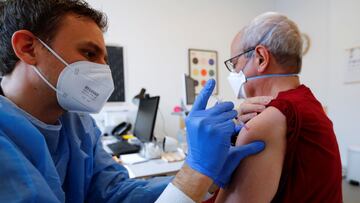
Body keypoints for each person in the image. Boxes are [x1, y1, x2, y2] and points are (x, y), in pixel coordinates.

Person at [0, 1, 265, 202]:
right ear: (27, 48)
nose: (104, 70)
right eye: (89, 53)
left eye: (104, 58)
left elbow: (117, 194)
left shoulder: (78, 126)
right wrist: (196, 171)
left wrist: (207, 177)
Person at [212, 12, 343, 202]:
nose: (234, 73)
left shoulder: (264, 123)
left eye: (235, 64)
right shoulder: (311, 104)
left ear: (260, 58)